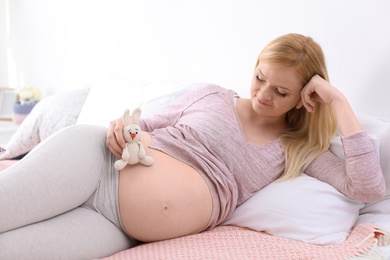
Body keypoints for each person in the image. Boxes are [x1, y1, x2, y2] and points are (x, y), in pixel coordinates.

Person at [0, 33, 385, 259]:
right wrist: (121, 126)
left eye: (281, 91)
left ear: (305, 97)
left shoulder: (297, 148)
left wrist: (339, 103)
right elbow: (144, 124)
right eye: (259, 79)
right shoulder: (212, 96)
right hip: (93, 164)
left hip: (119, 228)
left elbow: (367, 189)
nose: (263, 95)